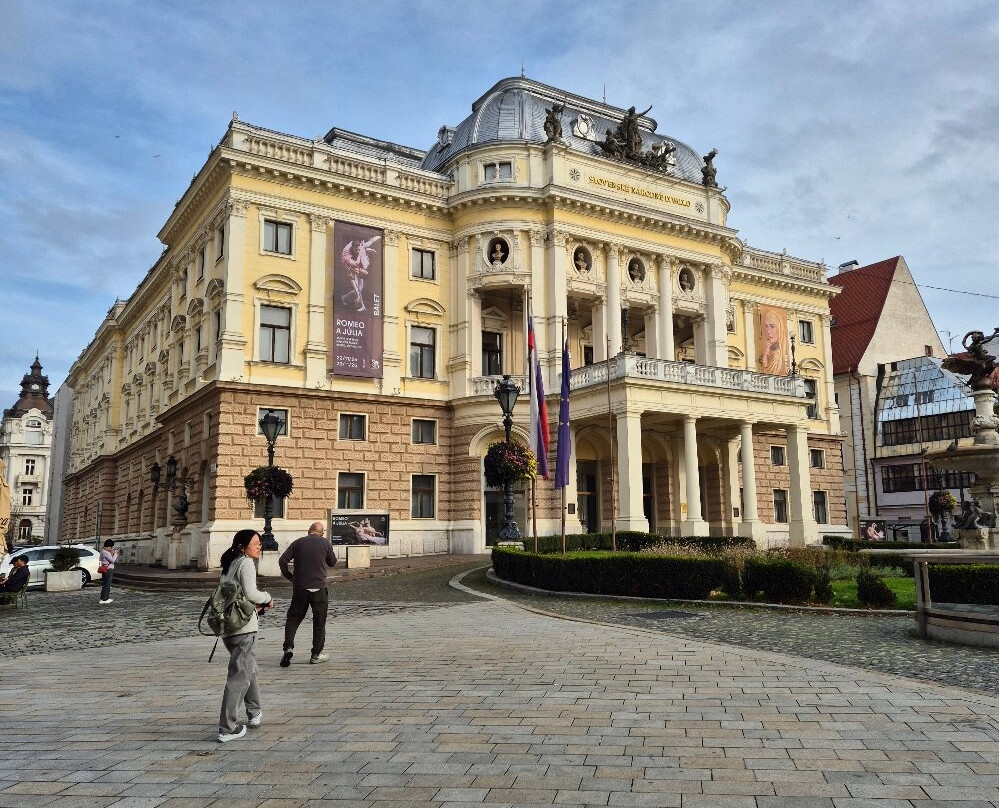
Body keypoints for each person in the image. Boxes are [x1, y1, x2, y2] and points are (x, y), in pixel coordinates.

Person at [217, 529, 274, 743]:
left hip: (229, 627)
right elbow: (251, 593)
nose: (260, 546)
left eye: (260, 542)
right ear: (243, 546)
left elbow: (232, 594)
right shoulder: (246, 562)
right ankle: (227, 728)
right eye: (256, 543)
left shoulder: (230, 563)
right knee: (239, 676)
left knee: (249, 669)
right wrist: (267, 597)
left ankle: (254, 712)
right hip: (243, 628)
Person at [278, 521, 337, 667]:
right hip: (319, 588)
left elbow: (282, 560)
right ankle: (316, 654)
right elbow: (332, 563)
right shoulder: (324, 543)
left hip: (300, 588)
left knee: (293, 618)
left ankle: (288, 648)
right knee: (319, 622)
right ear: (321, 533)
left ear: (308, 530)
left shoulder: (297, 543)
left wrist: (289, 576)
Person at [758, 308, 789, 375]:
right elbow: (765, 366)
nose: (768, 331)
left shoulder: (782, 351)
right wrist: (766, 352)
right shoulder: (768, 347)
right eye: (766, 326)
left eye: (772, 326)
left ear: (779, 328)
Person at [98, 539, 119, 605]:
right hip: (108, 569)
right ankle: (105, 599)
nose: (111, 548)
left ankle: (103, 597)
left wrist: (111, 553)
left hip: (105, 568)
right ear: (108, 546)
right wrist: (115, 554)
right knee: (107, 584)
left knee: (105, 583)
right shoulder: (106, 552)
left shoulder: (103, 551)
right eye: (111, 547)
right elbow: (112, 560)